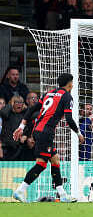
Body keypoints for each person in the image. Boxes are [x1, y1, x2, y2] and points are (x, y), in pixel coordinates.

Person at [12, 73, 85, 203]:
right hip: (46, 132)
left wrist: (22, 126)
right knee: (41, 164)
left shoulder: (49, 93)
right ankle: (20, 190)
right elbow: (69, 119)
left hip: (38, 130)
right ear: (69, 83)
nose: (73, 85)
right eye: (72, 82)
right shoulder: (67, 96)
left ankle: (62, 195)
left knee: (55, 160)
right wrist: (78, 133)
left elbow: (32, 108)